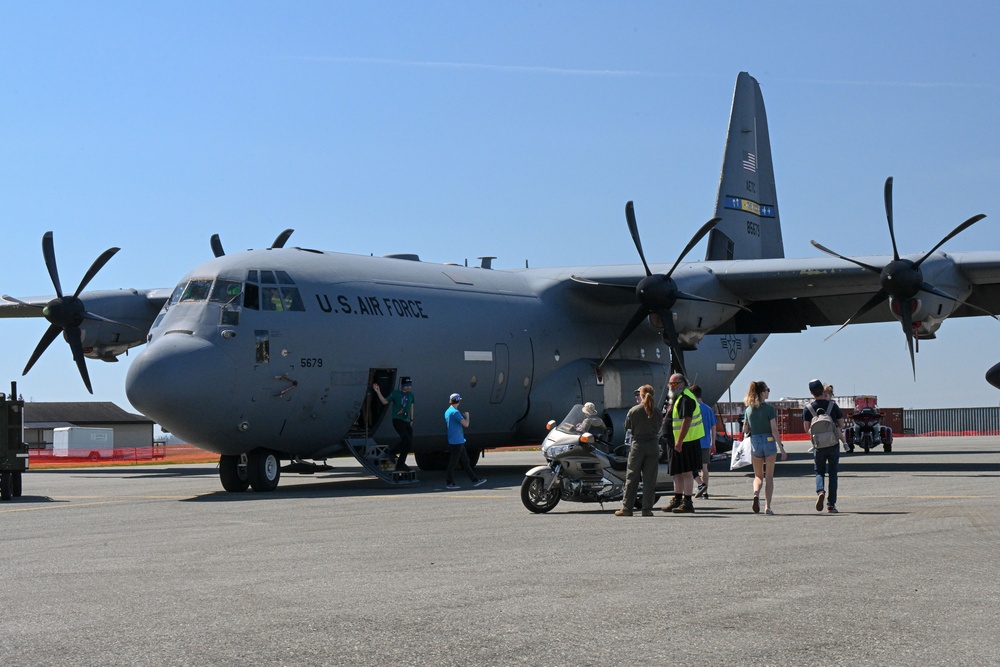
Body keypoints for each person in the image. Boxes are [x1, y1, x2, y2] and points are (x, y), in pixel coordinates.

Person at [659, 373, 704, 514]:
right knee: (676, 472)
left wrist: (679, 441)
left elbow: (687, 420)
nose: (671, 386)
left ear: (682, 384)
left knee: (687, 472)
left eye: (674, 384)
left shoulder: (686, 398)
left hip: (686, 442)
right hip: (675, 442)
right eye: (670, 384)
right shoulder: (676, 399)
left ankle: (688, 502)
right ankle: (677, 499)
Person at [615, 385, 662, 517]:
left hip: (638, 445)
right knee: (649, 479)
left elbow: (627, 428)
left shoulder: (634, 410)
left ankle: (627, 508)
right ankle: (647, 509)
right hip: (653, 445)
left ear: (641, 395)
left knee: (632, 476)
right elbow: (659, 428)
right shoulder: (657, 411)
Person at [743, 380, 786, 515]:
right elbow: (774, 429)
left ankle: (756, 494)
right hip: (768, 440)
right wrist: (781, 447)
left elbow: (745, 429)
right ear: (762, 393)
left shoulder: (748, 410)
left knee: (758, 476)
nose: (768, 392)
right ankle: (768, 507)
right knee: (769, 476)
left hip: (755, 441)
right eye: (767, 390)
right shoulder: (769, 409)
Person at [803, 379, 846, 513]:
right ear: (823, 390)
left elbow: (806, 428)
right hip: (833, 444)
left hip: (818, 445)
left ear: (811, 392)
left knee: (819, 472)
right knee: (833, 474)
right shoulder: (833, 406)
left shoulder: (808, 408)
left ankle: (820, 491)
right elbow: (842, 424)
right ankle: (831, 504)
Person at [443, 393, 486, 489]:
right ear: (458, 401)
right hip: (457, 441)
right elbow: (466, 424)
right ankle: (449, 482)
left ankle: (475, 479)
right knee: (453, 462)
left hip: (456, 439)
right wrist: (467, 416)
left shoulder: (447, 411)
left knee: (465, 461)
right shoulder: (455, 412)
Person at [372, 376, 415, 472]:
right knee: (406, 439)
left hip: (407, 421)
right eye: (406, 386)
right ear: (402, 385)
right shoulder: (396, 393)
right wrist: (378, 392)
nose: (408, 387)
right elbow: (384, 402)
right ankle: (391, 453)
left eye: (409, 386)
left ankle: (400, 464)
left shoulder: (411, 395)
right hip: (397, 420)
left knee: (408, 444)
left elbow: (412, 407)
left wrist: (411, 420)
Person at [690, 385, 717, 499]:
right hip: (705, 442)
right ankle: (705, 492)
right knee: (704, 468)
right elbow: (713, 427)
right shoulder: (708, 409)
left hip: (693, 442)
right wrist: (713, 443)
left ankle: (700, 485)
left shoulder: (692, 408)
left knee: (690, 467)